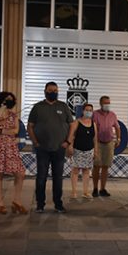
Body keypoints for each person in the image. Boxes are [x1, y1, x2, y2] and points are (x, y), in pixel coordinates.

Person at [27, 81, 74, 213]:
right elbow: (30, 126)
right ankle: (40, 204)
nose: (53, 92)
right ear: (45, 91)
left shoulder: (63, 106)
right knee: (41, 177)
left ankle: (58, 204)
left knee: (58, 178)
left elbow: (72, 125)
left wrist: (68, 141)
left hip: (59, 149)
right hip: (42, 149)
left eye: (55, 90)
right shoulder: (38, 107)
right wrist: (35, 142)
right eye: (50, 90)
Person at [0, 91, 27, 214]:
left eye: (11, 99)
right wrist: (0, 120)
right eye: (7, 99)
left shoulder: (13, 116)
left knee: (20, 173)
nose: (9, 101)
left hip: (11, 146)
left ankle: (17, 201)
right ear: (1, 101)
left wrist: (2, 130)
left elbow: (15, 130)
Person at [67, 103, 98, 199]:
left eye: (90, 110)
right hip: (77, 150)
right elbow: (71, 135)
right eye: (87, 110)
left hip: (89, 150)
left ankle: (85, 192)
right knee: (75, 171)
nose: (88, 112)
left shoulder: (94, 124)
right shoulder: (77, 122)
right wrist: (70, 146)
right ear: (83, 111)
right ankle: (74, 192)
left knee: (86, 171)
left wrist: (96, 150)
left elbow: (95, 138)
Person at [92, 95, 119, 197]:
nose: (107, 105)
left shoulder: (113, 115)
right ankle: (95, 188)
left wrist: (118, 138)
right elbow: (91, 127)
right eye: (105, 103)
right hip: (98, 143)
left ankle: (103, 189)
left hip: (109, 143)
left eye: (108, 103)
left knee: (105, 166)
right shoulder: (95, 114)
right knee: (96, 166)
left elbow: (117, 127)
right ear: (100, 104)